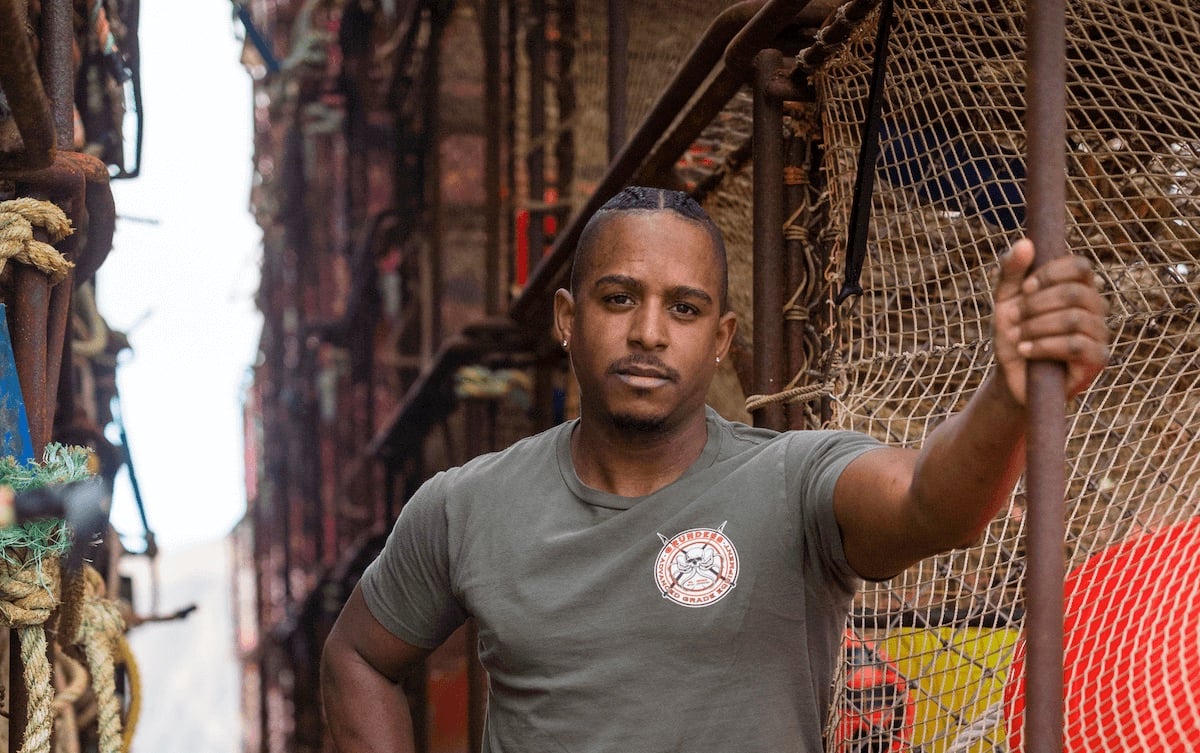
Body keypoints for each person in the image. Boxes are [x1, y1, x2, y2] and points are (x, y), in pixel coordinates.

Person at [320, 187, 1109, 752]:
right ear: (568, 319)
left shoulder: (794, 480)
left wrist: (1007, 395)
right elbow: (356, 655)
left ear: (723, 338)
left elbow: (934, 505)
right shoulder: (468, 505)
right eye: (619, 297)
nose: (651, 332)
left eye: (686, 308)